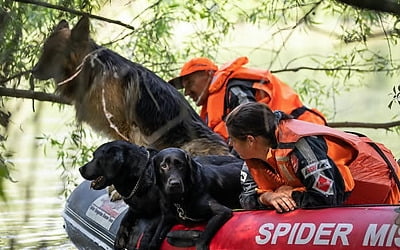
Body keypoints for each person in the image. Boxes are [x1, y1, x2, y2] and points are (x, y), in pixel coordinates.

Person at [225, 102, 400, 212]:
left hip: (381, 192)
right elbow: (245, 197)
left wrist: (291, 195)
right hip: (339, 206)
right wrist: (267, 198)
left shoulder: (302, 146)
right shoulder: (252, 158)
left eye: (232, 139)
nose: (230, 145)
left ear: (250, 140)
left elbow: (327, 197)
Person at [169, 56, 327, 141]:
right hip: (287, 139)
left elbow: (252, 125)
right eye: (184, 87)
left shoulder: (234, 88)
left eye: (190, 82)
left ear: (208, 73)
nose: (187, 91)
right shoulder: (214, 103)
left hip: (306, 134)